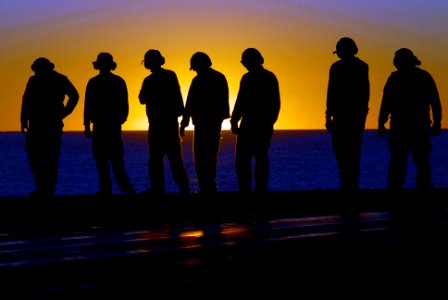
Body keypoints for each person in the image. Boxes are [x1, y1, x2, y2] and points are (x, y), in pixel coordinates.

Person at [378, 48, 442, 190]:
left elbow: (386, 103)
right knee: (418, 163)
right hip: (414, 128)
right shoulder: (423, 76)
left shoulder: (395, 78)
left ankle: (397, 196)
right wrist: (437, 122)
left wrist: (381, 123)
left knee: (403, 164)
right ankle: (421, 194)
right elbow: (435, 101)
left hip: (405, 128)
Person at [20, 57, 79, 198]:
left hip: (49, 124)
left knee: (48, 157)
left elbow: (74, 96)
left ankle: (46, 189)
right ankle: (43, 188)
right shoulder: (35, 80)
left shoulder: (57, 79)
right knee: (38, 157)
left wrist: (64, 113)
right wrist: (23, 120)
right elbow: (26, 100)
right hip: (38, 123)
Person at [84, 52, 136, 197]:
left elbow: (88, 104)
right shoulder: (116, 81)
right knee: (108, 159)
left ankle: (118, 189)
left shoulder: (96, 82)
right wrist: (87, 124)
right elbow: (88, 104)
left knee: (110, 159)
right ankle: (117, 189)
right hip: (106, 125)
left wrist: (87, 124)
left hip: (108, 125)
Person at [139, 49, 190, 195]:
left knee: (158, 157)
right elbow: (178, 98)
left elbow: (142, 98)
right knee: (172, 157)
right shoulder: (170, 75)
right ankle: (182, 186)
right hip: (168, 123)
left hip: (159, 124)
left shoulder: (149, 80)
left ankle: (159, 188)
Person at [230, 48, 281, 193]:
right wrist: (235, 120)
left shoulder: (267, 77)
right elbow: (240, 101)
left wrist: (268, 121)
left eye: (245, 61)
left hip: (259, 124)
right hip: (250, 124)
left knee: (258, 157)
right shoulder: (247, 78)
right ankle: (248, 188)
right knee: (246, 159)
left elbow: (275, 103)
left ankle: (258, 188)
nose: (244, 64)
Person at [180, 52, 230, 193]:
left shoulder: (199, 80)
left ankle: (206, 186)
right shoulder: (219, 77)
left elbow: (190, 103)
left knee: (202, 156)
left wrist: (184, 122)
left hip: (204, 124)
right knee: (209, 156)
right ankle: (209, 186)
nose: (195, 70)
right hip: (212, 123)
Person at [325, 37, 370, 190]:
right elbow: (365, 93)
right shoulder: (362, 66)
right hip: (353, 116)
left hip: (345, 116)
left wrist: (328, 116)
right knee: (351, 153)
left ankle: (348, 187)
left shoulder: (337, 67)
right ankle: (350, 186)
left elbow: (331, 92)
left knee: (345, 153)